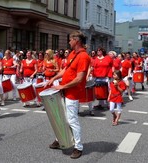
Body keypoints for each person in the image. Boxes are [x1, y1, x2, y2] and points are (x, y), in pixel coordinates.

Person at [47, 30, 91, 159]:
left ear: (76, 40)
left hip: (73, 92)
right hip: (66, 90)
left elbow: (79, 78)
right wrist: (53, 78)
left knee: (72, 120)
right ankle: (60, 139)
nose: (69, 42)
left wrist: (62, 85)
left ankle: (78, 147)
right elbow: (66, 70)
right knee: (62, 116)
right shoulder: (73, 53)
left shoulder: (83, 56)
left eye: (71, 39)